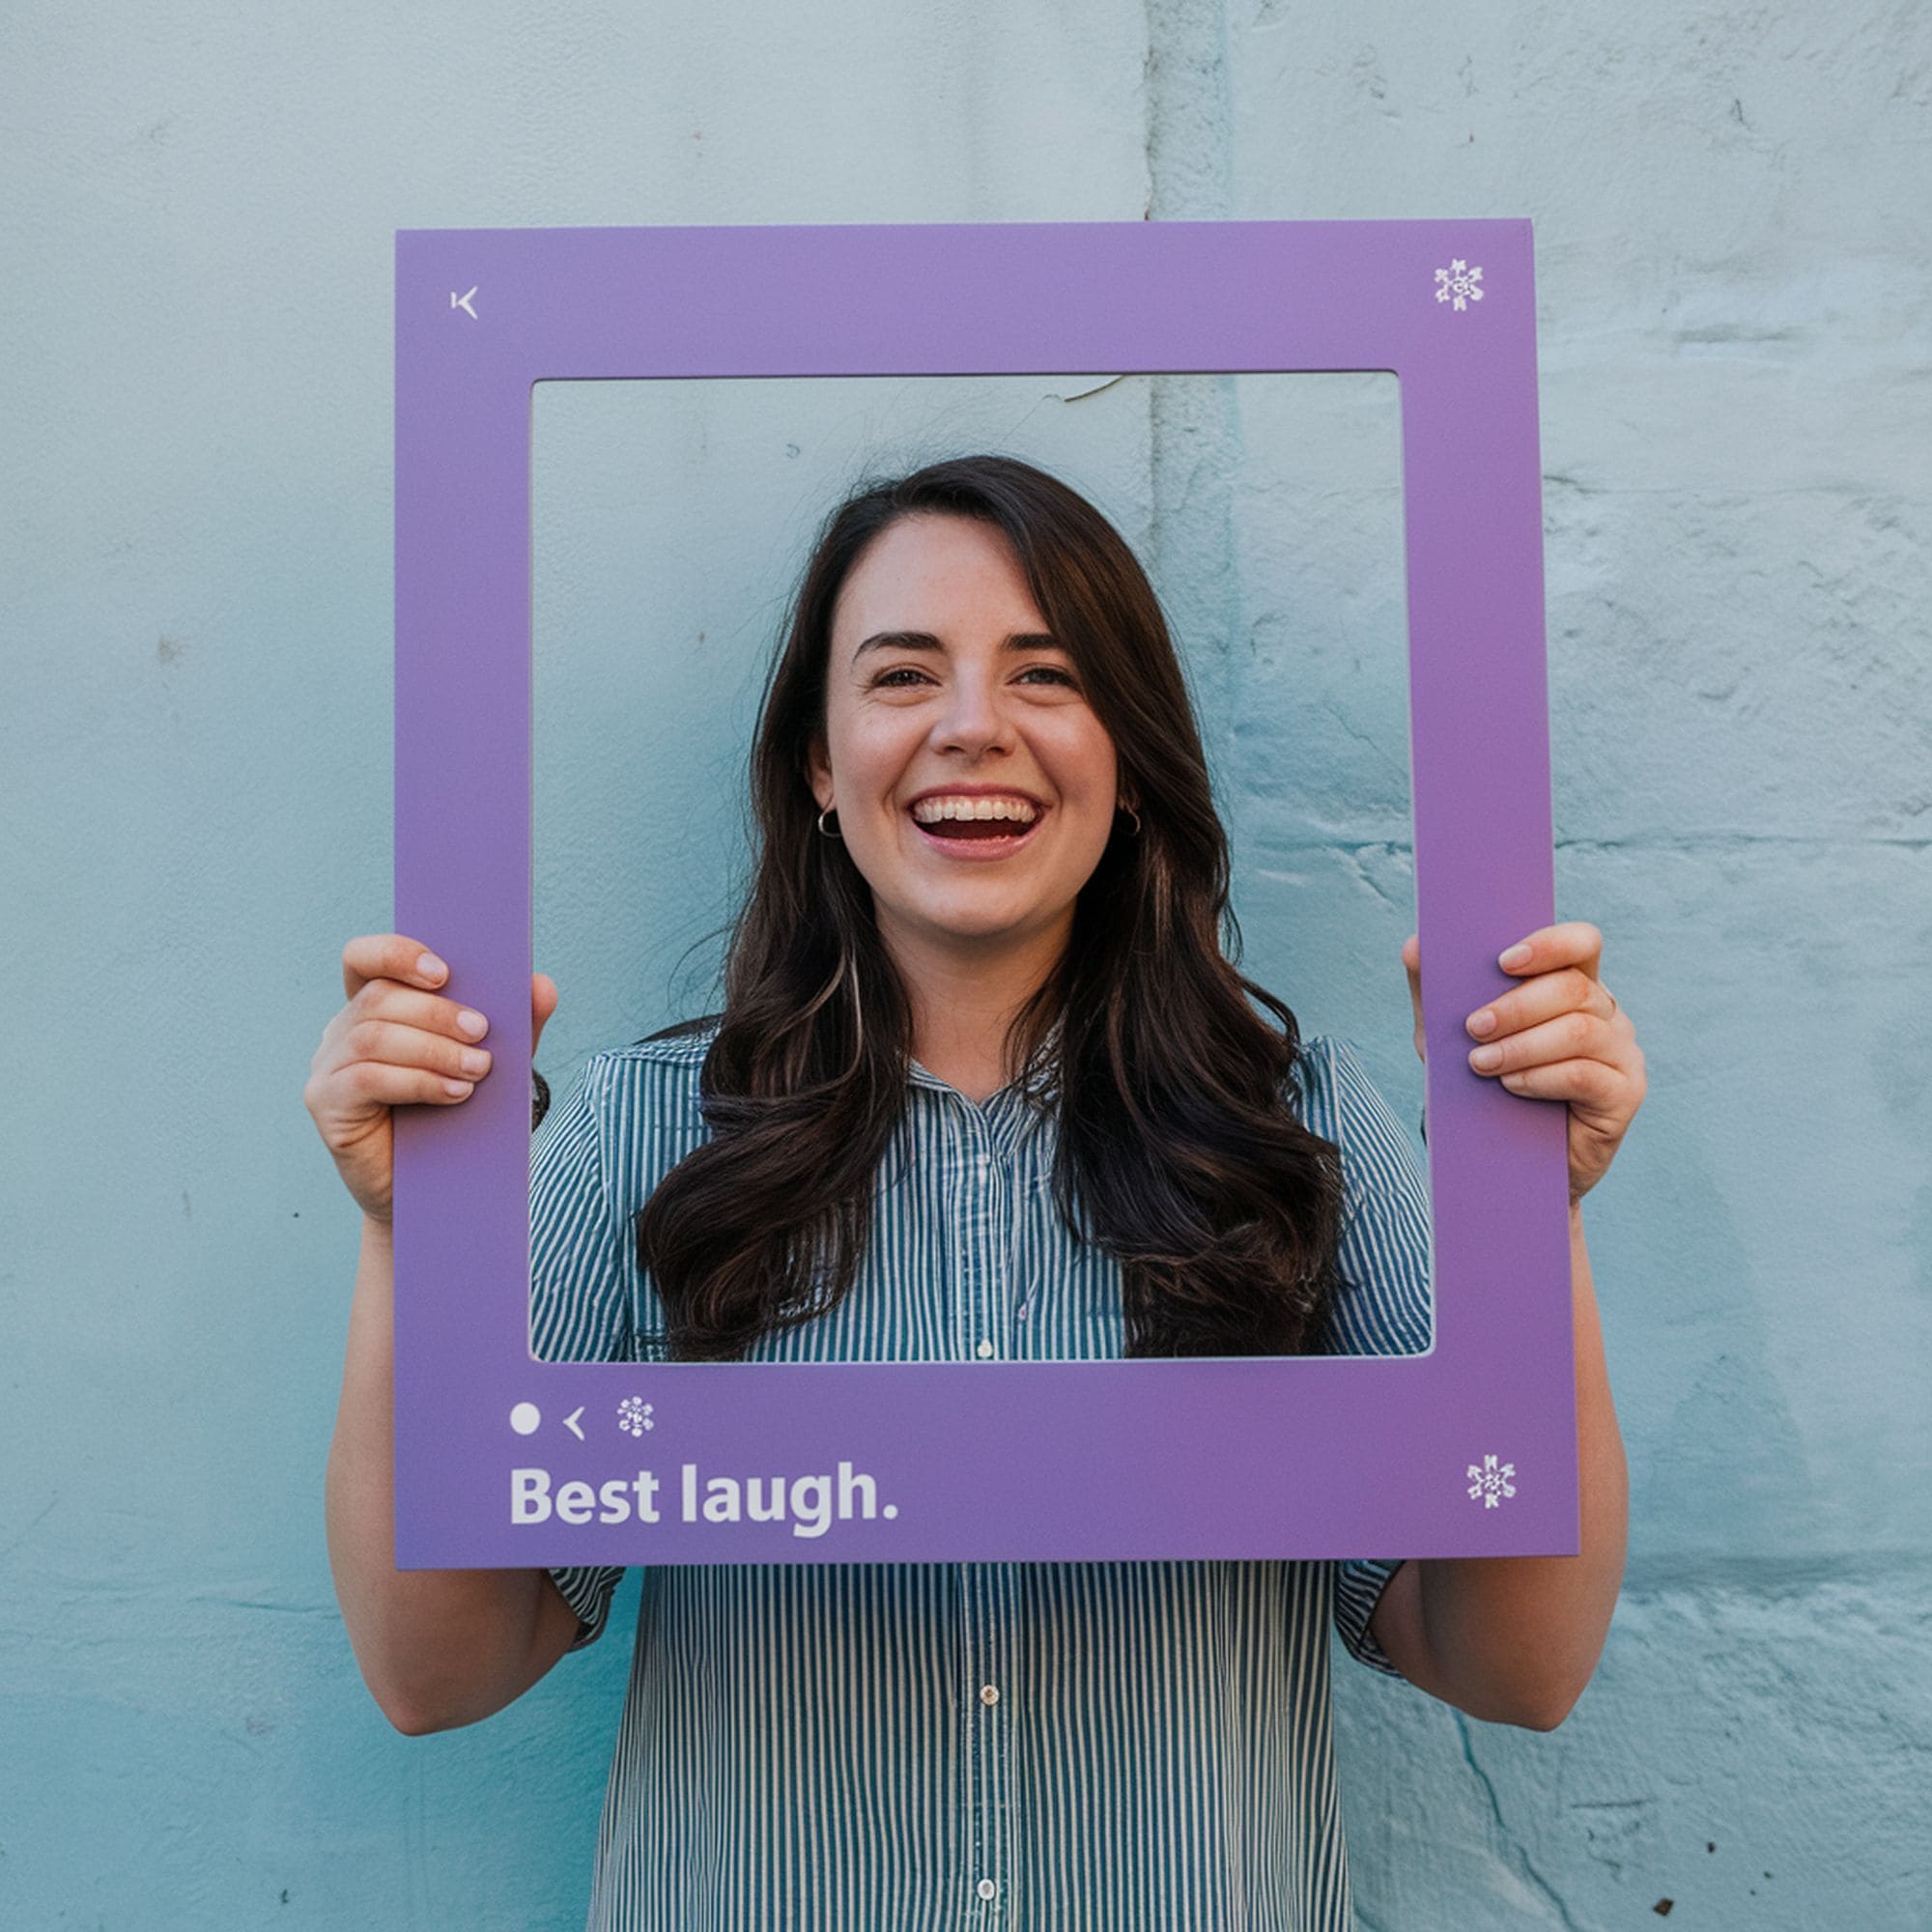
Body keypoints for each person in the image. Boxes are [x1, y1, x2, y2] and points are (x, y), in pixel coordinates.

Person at [306, 455, 1644, 1929]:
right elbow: (436, 1672)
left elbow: (1518, 1669)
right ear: (818, 761)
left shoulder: (1298, 1132)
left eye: (1045, 674)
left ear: (1128, 753)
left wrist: (1539, 1217)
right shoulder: (645, 1136)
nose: (970, 729)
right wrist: (403, 1234)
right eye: (900, 676)